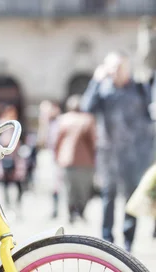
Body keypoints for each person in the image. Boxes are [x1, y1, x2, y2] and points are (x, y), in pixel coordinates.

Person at [81, 51, 155, 252]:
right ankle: (107, 242)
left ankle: (128, 243)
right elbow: (86, 107)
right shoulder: (102, 90)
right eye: (111, 67)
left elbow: (152, 116)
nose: (115, 71)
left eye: (119, 67)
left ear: (127, 68)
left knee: (132, 199)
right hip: (108, 154)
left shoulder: (140, 89)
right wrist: (95, 82)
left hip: (135, 155)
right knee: (108, 197)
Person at [53, 94, 97, 223]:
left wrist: (57, 156)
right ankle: (81, 212)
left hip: (66, 160)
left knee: (69, 189)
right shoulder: (88, 119)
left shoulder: (62, 120)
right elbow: (93, 141)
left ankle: (71, 213)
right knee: (84, 190)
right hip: (85, 161)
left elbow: (57, 141)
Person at [0, 104, 26, 209]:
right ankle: (9, 204)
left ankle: (16, 203)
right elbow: (3, 140)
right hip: (7, 155)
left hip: (14, 156)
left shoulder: (16, 123)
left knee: (18, 181)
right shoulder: (3, 123)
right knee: (6, 181)